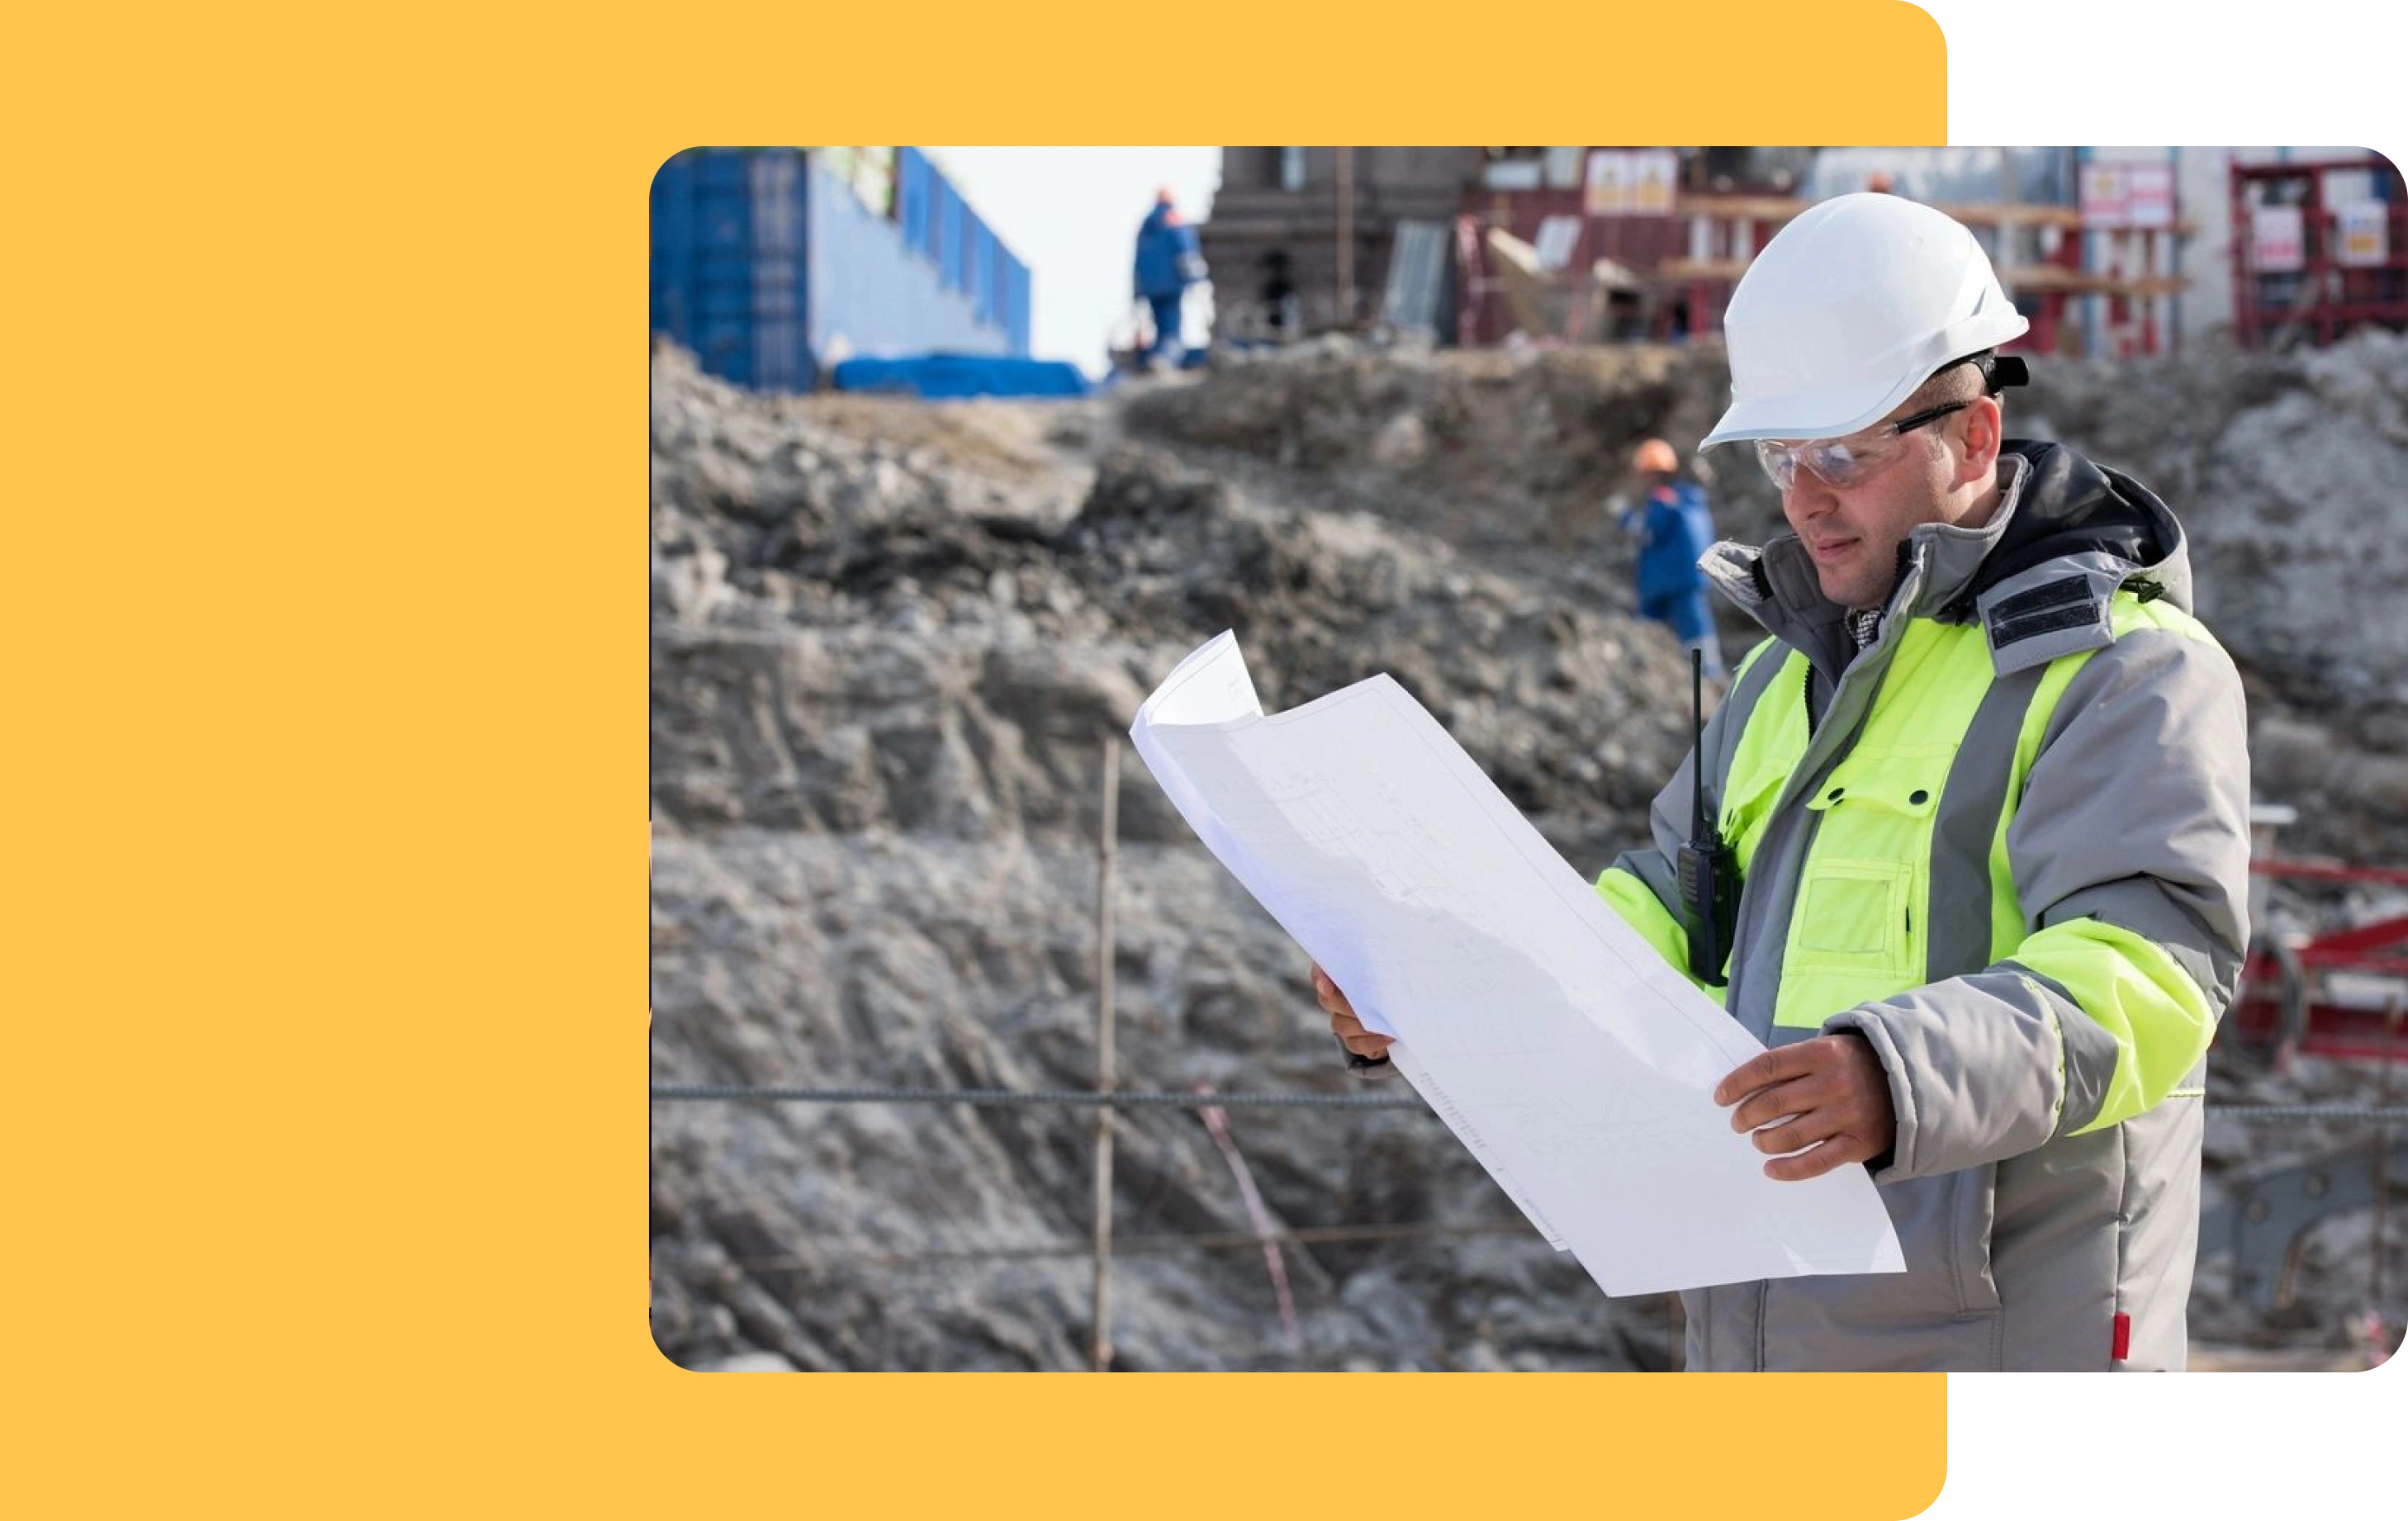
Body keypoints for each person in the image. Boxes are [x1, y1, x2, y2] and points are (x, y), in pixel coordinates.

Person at [1313, 192, 2252, 1372]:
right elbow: (1662, 909)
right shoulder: (1780, 677)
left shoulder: (2125, 672)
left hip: (2001, 1339)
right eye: (1780, 456)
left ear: (1970, 438)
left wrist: (1893, 1076)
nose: (1803, 498)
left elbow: (2150, 974)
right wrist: (1446, 989)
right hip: (1759, 1334)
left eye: (1845, 455)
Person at [1619, 438, 1726, 682]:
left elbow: (1646, 532)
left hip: (1667, 579)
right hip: (1691, 576)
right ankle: (1711, 675)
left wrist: (1624, 517)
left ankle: (1647, 676)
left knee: (1649, 627)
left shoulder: (1663, 500)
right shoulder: (1691, 499)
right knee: (1696, 628)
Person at [1133, 188, 1206, 367]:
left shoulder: (1146, 226)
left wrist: (1137, 290)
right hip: (1171, 286)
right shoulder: (1173, 222)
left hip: (1149, 287)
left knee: (1160, 325)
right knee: (1172, 328)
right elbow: (1186, 253)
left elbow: (1137, 260)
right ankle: (1165, 360)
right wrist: (1196, 280)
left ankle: (1159, 357)